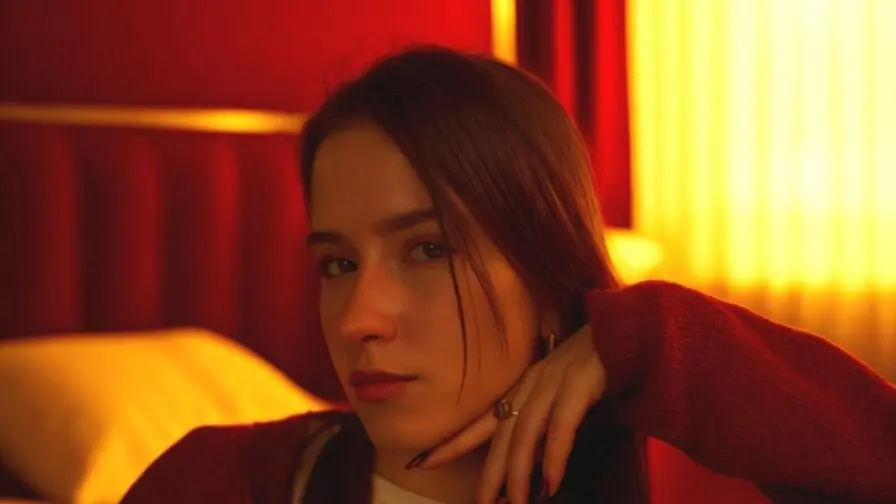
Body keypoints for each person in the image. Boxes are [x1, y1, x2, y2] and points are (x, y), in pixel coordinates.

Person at [121, 47, 896, 504]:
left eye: (429, 250)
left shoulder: (685, 476)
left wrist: (649, 337)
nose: (359, 318)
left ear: (547, 277)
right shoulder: (220, 481)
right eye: (339, 264)